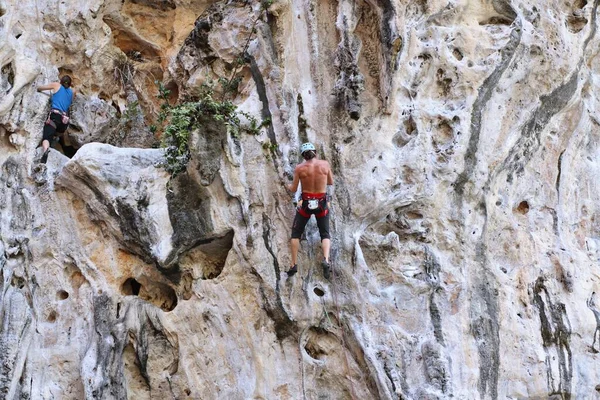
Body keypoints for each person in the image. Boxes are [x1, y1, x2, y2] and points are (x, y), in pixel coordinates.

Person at [287, 142, 334, 279]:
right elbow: (330, 181)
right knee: (325, 234)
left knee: (296, 234)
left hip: (306, 203)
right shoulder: (324, 164)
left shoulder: (299, 168)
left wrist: (286, 184)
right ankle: (325, 260)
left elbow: (294, 189)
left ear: (303, 155)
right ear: (315, 152)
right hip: (321, 203)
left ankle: (294, 264)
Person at [36, 75, 76, 163]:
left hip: (55, 116)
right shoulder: (72, 92)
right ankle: (55, 139)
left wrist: (37, 88)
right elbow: (69, 102)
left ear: (61, 81)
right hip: (64, 121)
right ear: (69, 84)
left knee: (46, 136)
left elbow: (40, 88)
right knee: (57, 133)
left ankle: (46, 150)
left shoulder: (56, 85)